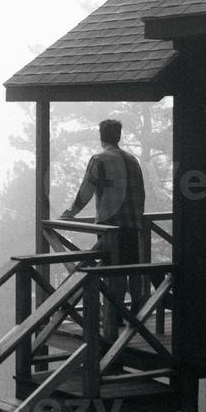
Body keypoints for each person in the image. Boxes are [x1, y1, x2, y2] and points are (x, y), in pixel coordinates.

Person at [61, 118, 147, 337]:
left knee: (111, 270)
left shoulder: (99, 159)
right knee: (132, 268)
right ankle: (136, 311)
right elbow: (141, 193)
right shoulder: (133, 160)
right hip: (133, 223)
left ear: (101, 136)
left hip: (110, 225)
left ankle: (114, 316)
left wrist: (72, 212)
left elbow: (86, 190)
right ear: (119, 135)